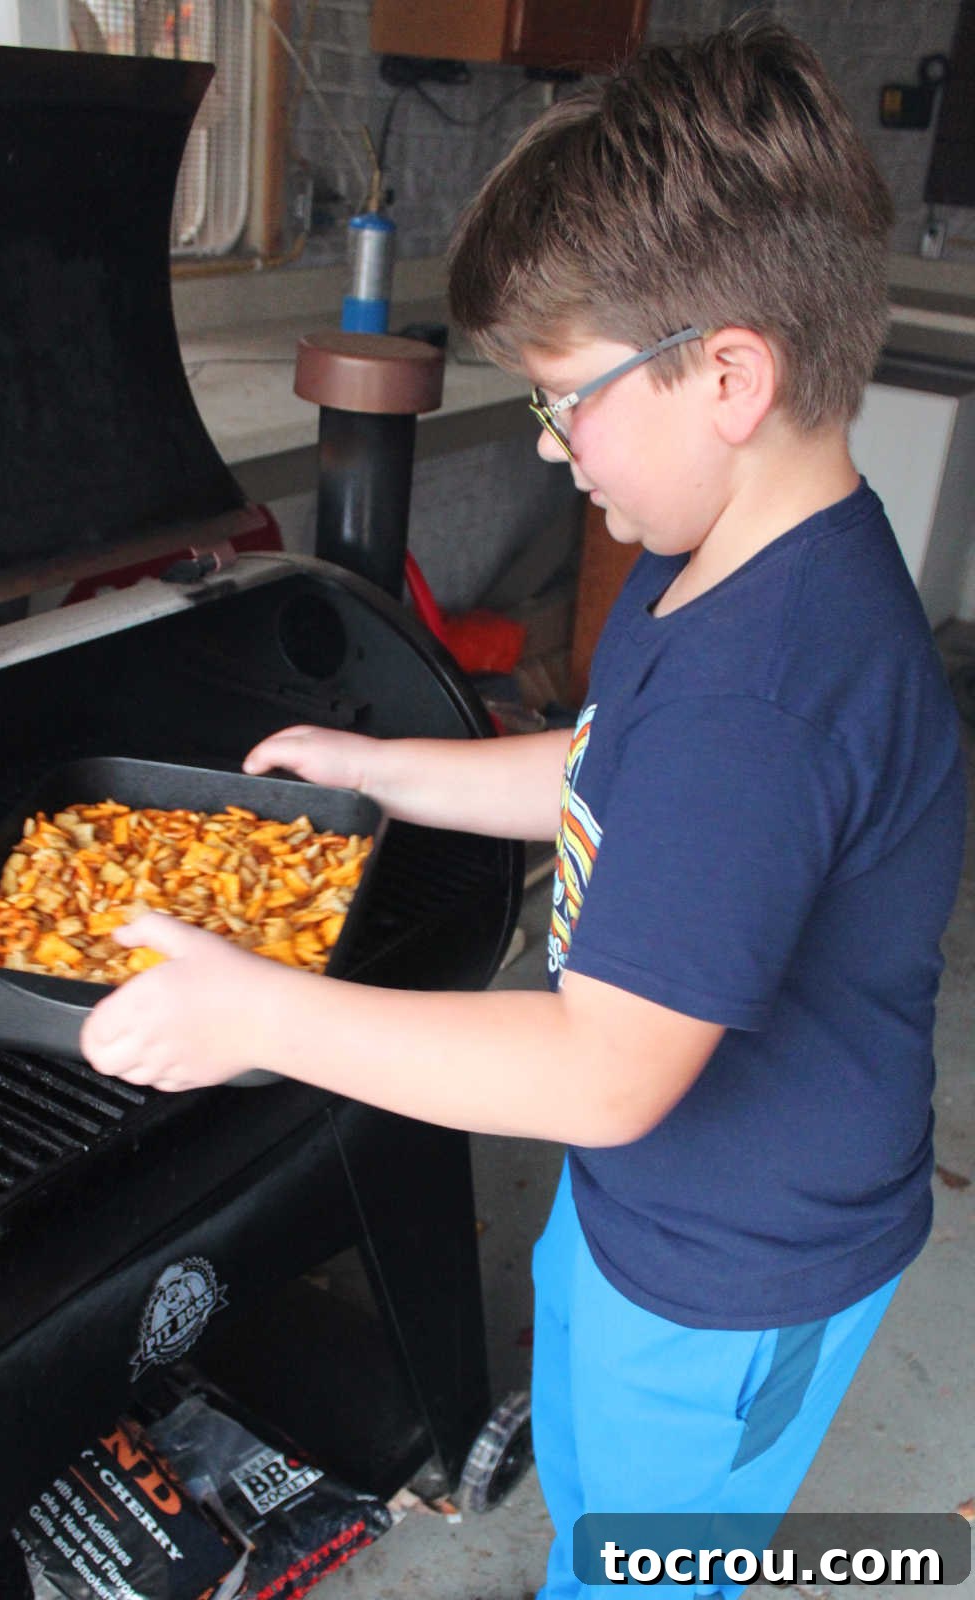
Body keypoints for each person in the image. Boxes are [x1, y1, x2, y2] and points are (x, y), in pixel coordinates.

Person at [81, 20, 967, 1597]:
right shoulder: (735, 565)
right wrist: (388, 774)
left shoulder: (762, 704)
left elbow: (605, 1070)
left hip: (730, 1270)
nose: (552, 450)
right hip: (659, 1216)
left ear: (730, 377)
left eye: (563, 399)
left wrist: (260, 1014)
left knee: (650, 1560)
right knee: (621, 1498)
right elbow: (602, 769)